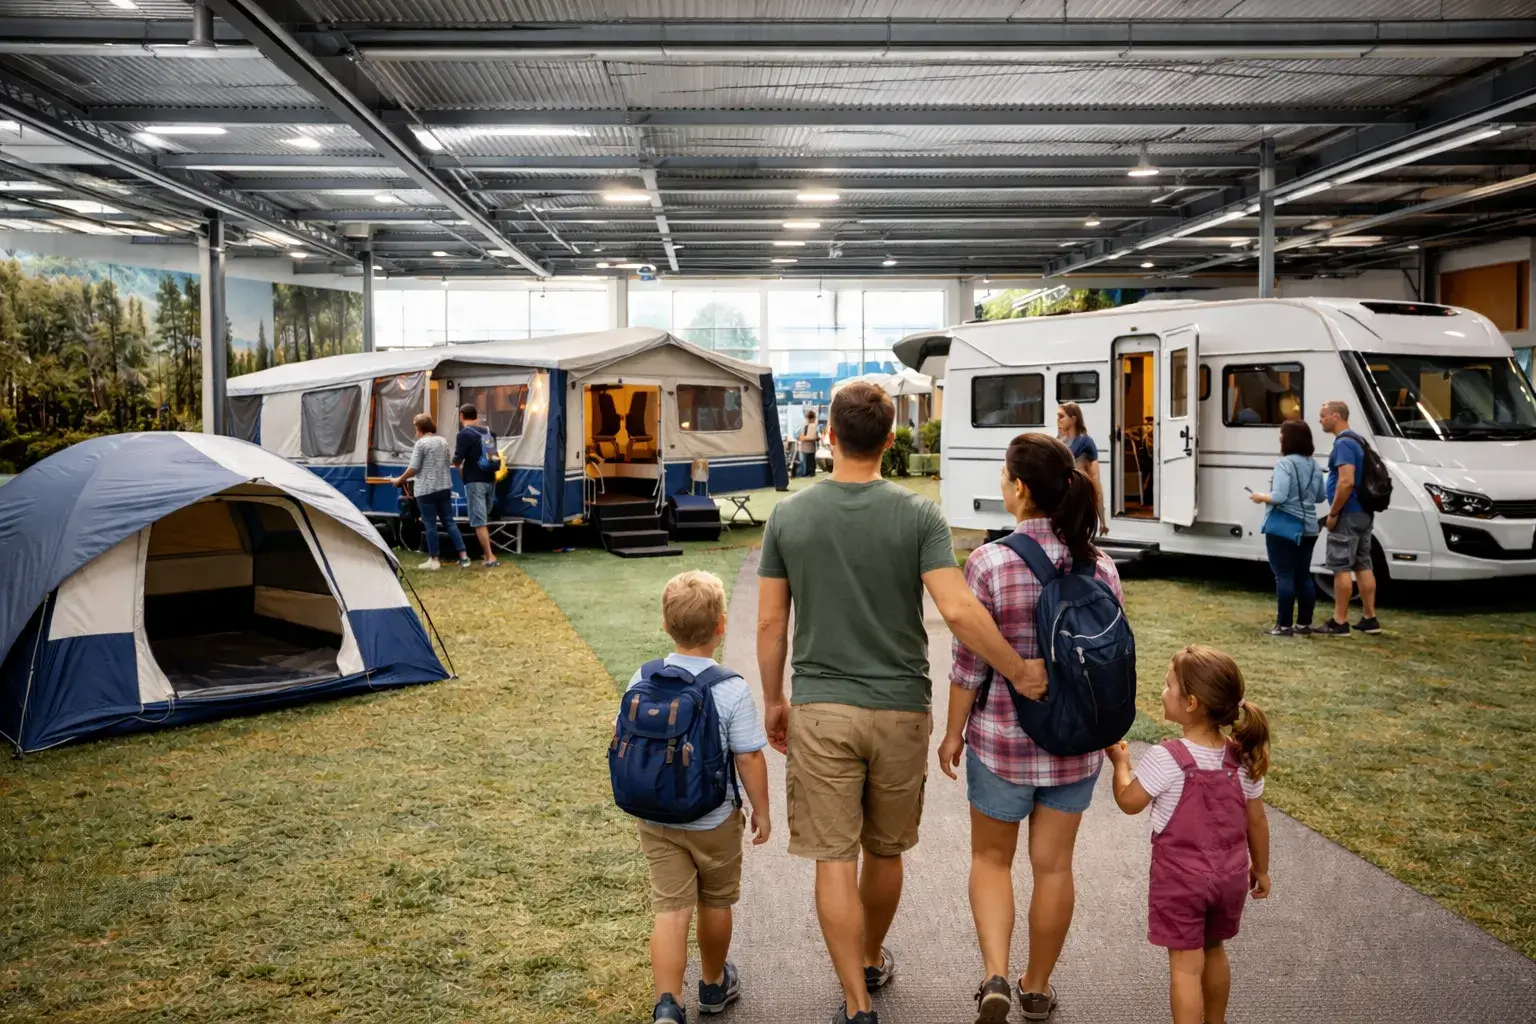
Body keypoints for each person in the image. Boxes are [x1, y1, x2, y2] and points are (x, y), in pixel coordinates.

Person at [757, 381, 1047, 1024]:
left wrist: (774, 699)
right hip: (900, 710)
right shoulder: (920, 516)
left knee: (835, 858)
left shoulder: (789, 517)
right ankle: (870, 956)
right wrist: (1019, 670)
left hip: (822, 708)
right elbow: (958, 610)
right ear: (890, 440)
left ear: (829, 435)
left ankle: (857, 1002)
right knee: (884, 851)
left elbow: (771, 622)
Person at [939, 432, 1119, 1023]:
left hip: (1003, 742)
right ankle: (1036, 988)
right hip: (1076, 745)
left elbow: (969, 663)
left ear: (1019, 488)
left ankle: (995, 974)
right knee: (1055, 867)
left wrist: (953, 733)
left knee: (992, 860)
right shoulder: (1100, 564)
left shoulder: (990, 561)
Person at [628, 571, 772, 1024]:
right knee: (715, 901)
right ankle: (712, 984)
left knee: (670, 910)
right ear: (721, 626)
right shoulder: (730, 687)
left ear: (665, 624)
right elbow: (749, 757)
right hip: (714, 819)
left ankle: (668, 1004)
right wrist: (762, 810)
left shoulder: (642, 676)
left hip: (656, 817)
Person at [1105, 645, 1272, 1024]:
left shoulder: (1167, 758)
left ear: (1192, 703)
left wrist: (1121, 765)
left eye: (1168, 686)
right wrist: (1261, 869)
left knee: (1185, 966)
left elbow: (1129, 802)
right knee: (1214, 951)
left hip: (1180, 882)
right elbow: (1257, 821)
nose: (1162, 691)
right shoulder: (1241, 757)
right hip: (1229, 878)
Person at [1248, 420, 1326, 636]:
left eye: (1281, 435)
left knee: (1284, 575)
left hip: (1285, 527)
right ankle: (1304, 624)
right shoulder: (1314, 465)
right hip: (1309, 528)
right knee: (1303, 576)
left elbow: (1279, 496)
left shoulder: (1284, 464)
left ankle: (1284, 625)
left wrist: (1261, 496)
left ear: (1288, 439)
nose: (1280, 439)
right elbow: (1320, 497)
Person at [1316, 401, 1381, 636]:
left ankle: (1339, 621)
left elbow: (1346, 481)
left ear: (1336, 416)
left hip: (1347, 513)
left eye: (1323, 415)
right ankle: (1369, 617)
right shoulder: (1359, 441)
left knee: (1341, 567)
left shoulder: (1343, 444)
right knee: (1363, 564)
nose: (1320, 420)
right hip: (1364, 512)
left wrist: (1333, 513)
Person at [391, 413, 469, 571]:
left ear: (419, 428)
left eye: (416, 428)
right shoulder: (443, 442)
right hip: (444, 487)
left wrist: (399, 479)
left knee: (430, 524)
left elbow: (413, 468)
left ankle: (434, 560)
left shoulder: (421, 444)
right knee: (449, 522)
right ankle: (464, 556)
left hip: (426, 490)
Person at [451, 403, 503, 569]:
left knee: (479, 521)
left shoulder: (464, 434)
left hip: (474, 482)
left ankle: (490, 557)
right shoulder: (489, 432)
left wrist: (460, 471)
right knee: (484, 518)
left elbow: (457, 460)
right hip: (490, 479)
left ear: (461, 415)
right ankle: (486, 552)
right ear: (476, 416)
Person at [1056, 402, 1106, 534]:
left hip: (1077, 503)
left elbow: (1095, 480)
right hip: (1060, 503)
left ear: (1073, 419)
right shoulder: (1058, 441)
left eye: (1061, 416)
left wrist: (1102, 519)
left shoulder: (1085, 443)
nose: (1058, 420)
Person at [797, 408, 821, 479]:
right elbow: (816, 437)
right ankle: (810, 473)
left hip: (806, 448)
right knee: (810, 462)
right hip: (810, 448)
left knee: (806, 463)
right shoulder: (811, 426)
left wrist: (804, 438)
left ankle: (807, 473)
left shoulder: (807, 426)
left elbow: (801, 437)